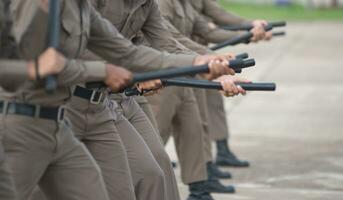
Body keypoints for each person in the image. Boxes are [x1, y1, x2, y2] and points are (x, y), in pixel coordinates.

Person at [189, 0, 272, 167]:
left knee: (209, 107)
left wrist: (249, 30)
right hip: (178, 62)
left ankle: (212, 165)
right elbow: (169, 39)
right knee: (176, 119)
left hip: (198, 58)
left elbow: (216, 18)